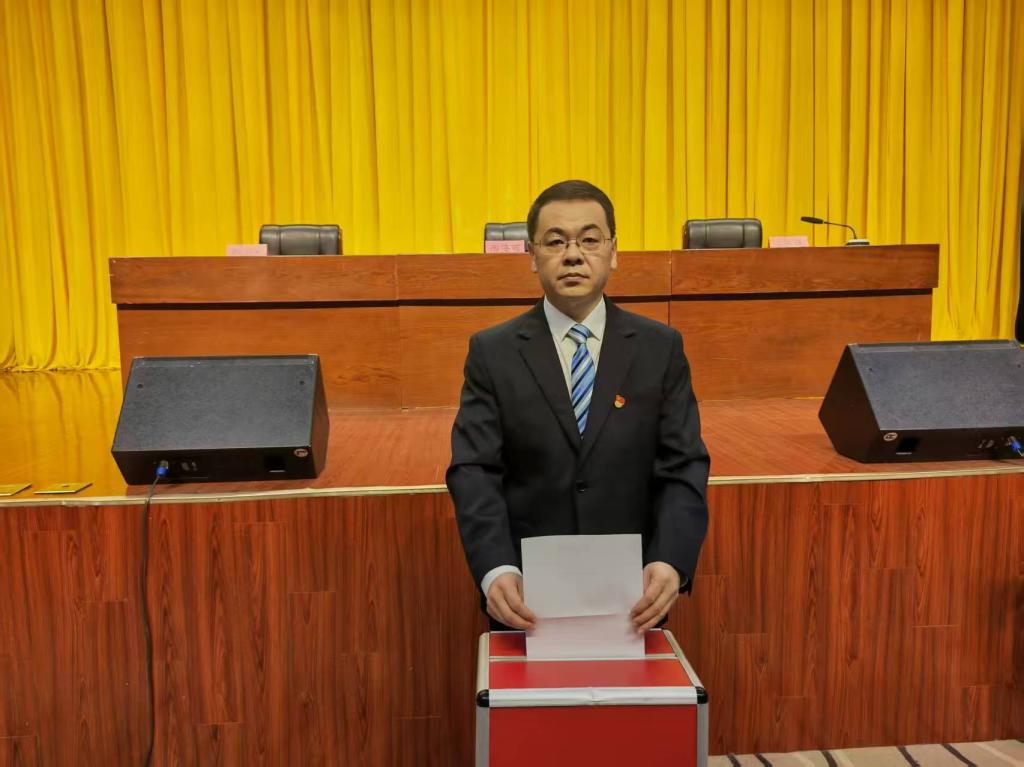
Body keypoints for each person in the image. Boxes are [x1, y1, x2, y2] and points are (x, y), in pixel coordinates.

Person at [446, 179, 710, 633]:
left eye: (589, 239)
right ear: (532, 255)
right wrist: (495, 568)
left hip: (634, 601)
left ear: (613, 251)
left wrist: (671, 559)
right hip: (525, 599)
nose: (573, 255)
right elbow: (474, 469)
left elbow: (683, 464)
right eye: (555, 241)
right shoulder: (493, 352)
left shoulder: (659, 348)